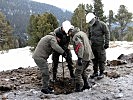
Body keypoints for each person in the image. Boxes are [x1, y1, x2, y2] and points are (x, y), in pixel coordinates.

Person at [68, 27, 94, 92]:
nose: (69, 35)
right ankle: (86, 84)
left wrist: (80, 58)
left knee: (77, 73)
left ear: (70, 32)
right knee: (82, 70)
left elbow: (80, 46)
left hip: (83, 56)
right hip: (89, 55)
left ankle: (79, 88)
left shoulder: (75, 36)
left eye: (68, 33)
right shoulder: (82, 33)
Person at [86, 13, 110, 79]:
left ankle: (101, 72)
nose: (90, 23)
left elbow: (107, 33)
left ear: (94, 18)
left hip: (100, 45)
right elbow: (89, 35)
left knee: (101, 59)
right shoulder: (90, 26)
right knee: (94, 59)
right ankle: (95, 72)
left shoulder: (102, 24)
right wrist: (88, 43)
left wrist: (107, 43)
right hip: (93, 45)